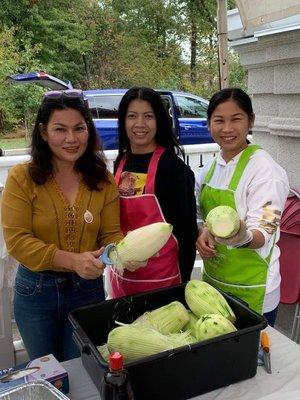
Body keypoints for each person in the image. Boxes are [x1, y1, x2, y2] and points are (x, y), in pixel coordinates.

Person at [1, 89, 125, 362]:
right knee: (48, 375)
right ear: (44, 132)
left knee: (82, 370)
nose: (71, 139)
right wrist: (72, 261)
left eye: (79, 128)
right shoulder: (22, 178)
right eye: (60, 129)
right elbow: (18, 242)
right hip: (35, 292)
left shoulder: (102, 179)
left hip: (87, 292)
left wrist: (122, 253)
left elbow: (111, 234)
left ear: (88, 131)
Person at [195, 88, 289, 326]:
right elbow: (197, 212)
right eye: (219, 120)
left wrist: (241, 236)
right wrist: (201, 231)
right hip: (213, 288)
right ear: (209, 124)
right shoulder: (211, 168)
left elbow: (265, 231)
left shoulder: (268, 172)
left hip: (254, 291)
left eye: (236, 119)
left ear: (251, 121)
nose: (227, 129)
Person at [109, 86, 198, 298]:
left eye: (148, 116)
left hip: (163, 280)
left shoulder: (173, 168)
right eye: (132, 116)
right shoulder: (121, 162)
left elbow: (187, 232)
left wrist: (181, 283)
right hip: (123, 277)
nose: (140, 124)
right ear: (123, 121)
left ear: (159, 120)